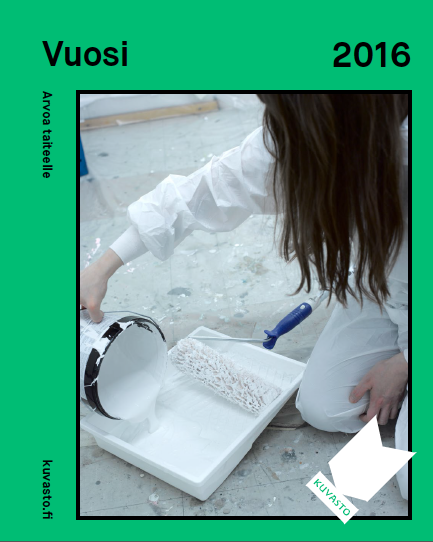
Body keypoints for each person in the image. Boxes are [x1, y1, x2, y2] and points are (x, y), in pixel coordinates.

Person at [80, 94, 409, 499]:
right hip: (385, 286)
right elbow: (205, 190)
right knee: (323, 408)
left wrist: (404, 362)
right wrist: (100, 268)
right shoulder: (306, 136)